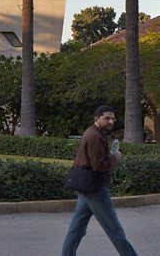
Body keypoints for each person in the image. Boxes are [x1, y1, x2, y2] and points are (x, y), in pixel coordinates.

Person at [61, 105, 138, 256]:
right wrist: (115, 157)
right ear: (97, 119)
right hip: (95, 189)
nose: (111, 121)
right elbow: (99, 165)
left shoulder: (94, 133)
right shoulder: (94, 136)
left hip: (87, 188)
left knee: (76, 230)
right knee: (115, 231)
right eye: (107, 118)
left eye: (113, 119)